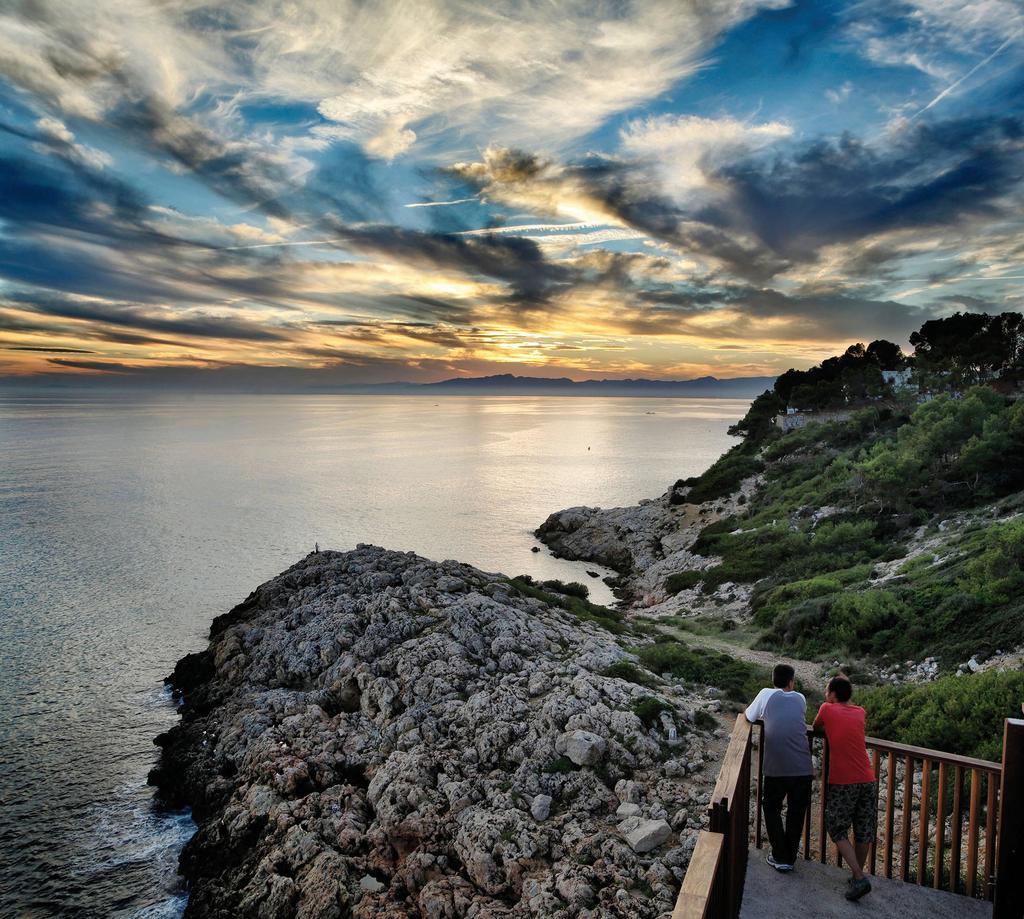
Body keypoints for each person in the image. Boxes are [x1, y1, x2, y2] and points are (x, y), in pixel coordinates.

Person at [813, 674, 877, 902]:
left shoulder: (827, 709)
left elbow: (815, 726)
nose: (824, 693)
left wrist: (828, 706)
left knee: (836, 828)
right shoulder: (860, 712)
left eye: (826, 689)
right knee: (864, 829)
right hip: (868, 778)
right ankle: (856, 878)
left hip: (844, 780)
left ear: (832, 694)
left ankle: (859, 877)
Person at [745, 663, 813, 872]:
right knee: (797, 811)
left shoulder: (766, 694)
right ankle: (788, 858)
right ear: (791, 682)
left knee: (771, 807)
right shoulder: (800, 698)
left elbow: (749, 716)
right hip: (803, 766)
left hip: (776, 767)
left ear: (773, 680)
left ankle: (780, 855)